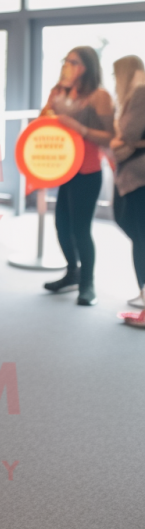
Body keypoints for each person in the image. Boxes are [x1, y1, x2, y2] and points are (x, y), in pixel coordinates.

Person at [41, 46, 114, 305]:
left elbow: (111, 136)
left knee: (81, 229)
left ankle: (88, 283)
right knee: (61, 225)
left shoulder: (99, 95)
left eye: (74, 62)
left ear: (88, 66)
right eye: (66, 61)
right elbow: (43, 122)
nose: (69, 66)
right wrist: (55, 97)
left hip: (88, 169)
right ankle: (72, 272)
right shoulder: (60, 92)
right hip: (63, 168)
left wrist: (80, 128)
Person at [110, 55, 145, 326]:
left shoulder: (140, 91)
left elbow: (126, 131)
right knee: (134, 229)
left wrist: (124, 141)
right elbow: (121, 143)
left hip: (138, 175)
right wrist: (123, 143)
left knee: (139, 233)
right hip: (133, 173)